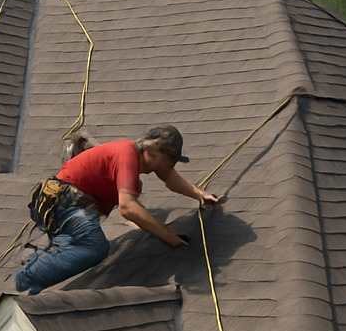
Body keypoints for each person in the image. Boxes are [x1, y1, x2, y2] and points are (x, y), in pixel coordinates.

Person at [15, 125, 220, 294]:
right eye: (172, 160)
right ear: (155, 150)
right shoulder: (127, 156)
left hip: (65, 205)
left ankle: (30, 287)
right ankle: (27, 276)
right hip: (65, 203)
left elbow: (169, 178)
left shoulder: (131, 160)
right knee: (95, 248)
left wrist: (199, 195)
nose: (172, 165)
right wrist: (168, 235)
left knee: (68, 255)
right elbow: (128, 208)